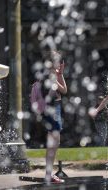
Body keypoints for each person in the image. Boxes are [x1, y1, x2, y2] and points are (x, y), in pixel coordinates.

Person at [30, 50, 67, 183]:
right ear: (51, 62)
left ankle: (48, 174)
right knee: (54, 142)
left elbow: (64, 90)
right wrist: (56, 80)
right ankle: (49, 174)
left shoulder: (52, 74)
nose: (59, 63)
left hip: (54, 109)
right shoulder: (48, 76)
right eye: (57, 60)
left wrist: (60, 74)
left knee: (54, 142)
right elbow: (61, 91)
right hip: (51, 111)